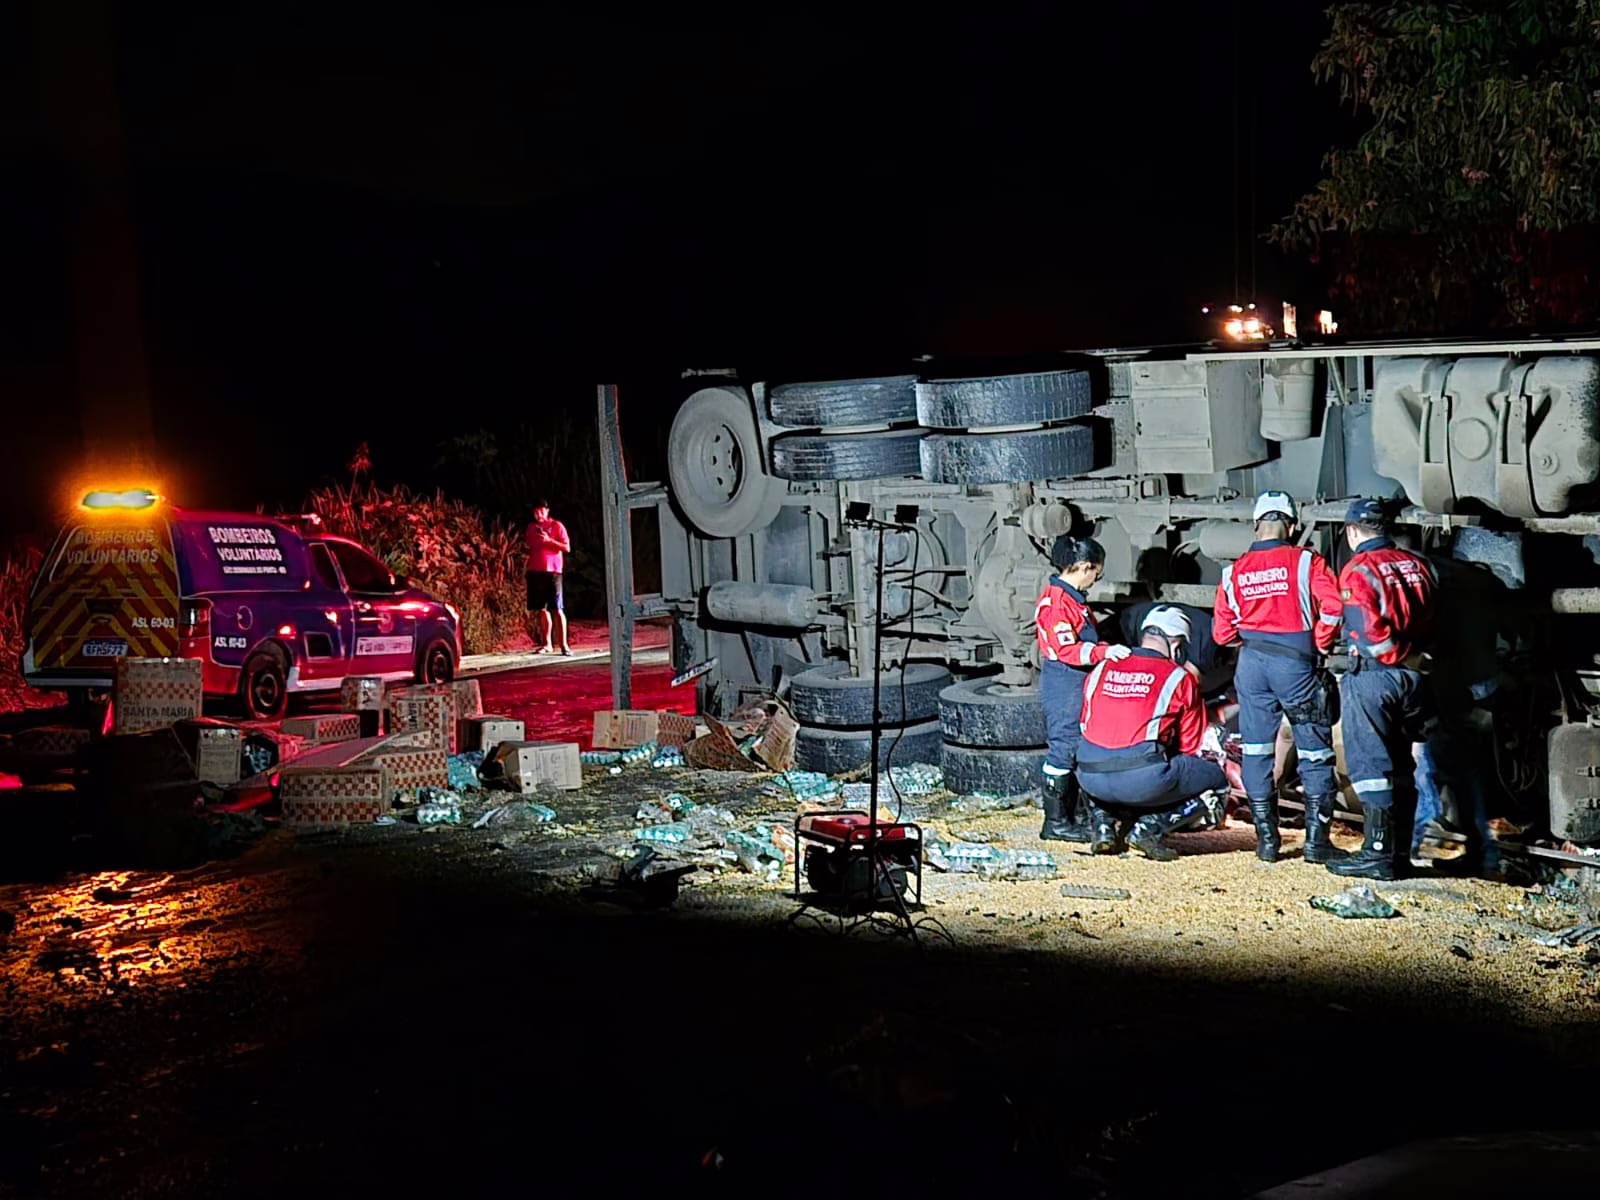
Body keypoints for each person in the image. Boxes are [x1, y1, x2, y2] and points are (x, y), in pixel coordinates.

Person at [1212, 491, 1344, 863]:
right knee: (1315, 749)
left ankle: (1267, 842)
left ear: (1256, 526)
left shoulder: (1232, 572)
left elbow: (1222, 634)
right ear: (1291, 525)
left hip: (1252, 665)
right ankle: (1317, 844)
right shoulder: (1306, 562)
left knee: (1255, 750)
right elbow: (1333, 608)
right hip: (1296, 664)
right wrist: (1319, 642)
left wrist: (1254, 639)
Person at [1325, 498, 1440, 881]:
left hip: (1376, 677)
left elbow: (1372, 638)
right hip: (1417, 677)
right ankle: (1400, 855)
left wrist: (1399, 657)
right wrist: (1417, 661)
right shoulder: (1419, 565)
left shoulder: (1358, 570)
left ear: (1353, 532)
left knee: (1372, 766)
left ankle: (1376, 853)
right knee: (1403, 765)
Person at [1075, 607, 1227, 861]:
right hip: (1143, 779)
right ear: (1177, 645)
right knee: (1215, 780)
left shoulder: (1101, 668)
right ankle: (1150, 828)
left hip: (1089, 777)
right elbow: (1190, 746)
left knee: (1099, 758)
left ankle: (1103, 826)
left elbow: (1085, 725)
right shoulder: (1179, 677)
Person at [1034, 535, 1131, 842]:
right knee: (1063, 746)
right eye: (1096, 573)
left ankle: (1071, 814)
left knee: (1075, 745)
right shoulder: (1057, 603)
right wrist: (1105, 652)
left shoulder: (1072, 598)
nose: (1095, 579)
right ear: (1085, 567)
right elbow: (1068, 650)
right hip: (1064, 679)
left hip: (1075, 678)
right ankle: (1055, 822)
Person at [524, 499, 572, 655]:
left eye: (541, 511)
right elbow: (529, 546)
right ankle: (547, 644)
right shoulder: (532, 528)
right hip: (536, 571)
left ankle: (564, 645)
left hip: (553, 571)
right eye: (535, 512)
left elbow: (566, 547)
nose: (538, 514)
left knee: (557, 608)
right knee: (542, 609)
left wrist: (549, 540)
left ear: (547, 510)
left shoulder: (556, 526)